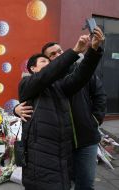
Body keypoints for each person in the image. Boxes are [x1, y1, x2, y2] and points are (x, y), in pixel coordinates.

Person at [15, 28, 106, 190]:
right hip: (41, 154)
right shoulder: (26, 84)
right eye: (45, 61)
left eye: (51, 62)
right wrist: (75, 51)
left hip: (63, 148)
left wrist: (93, 50)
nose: (51, 63)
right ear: (32, 69)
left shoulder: (60, 86)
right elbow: (46, 75)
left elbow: (81, 76)